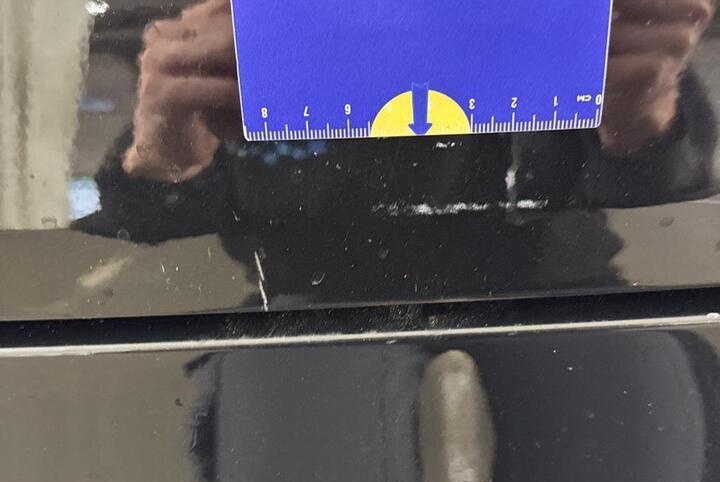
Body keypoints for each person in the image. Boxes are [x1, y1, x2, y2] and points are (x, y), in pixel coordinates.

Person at [76, 0, 718, 307]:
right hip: (292, 333)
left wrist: (642, 129)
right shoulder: (243, 41)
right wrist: (163, 157)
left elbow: (672, 203)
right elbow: (136, 250)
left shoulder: (578, 24)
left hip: (577, 310)